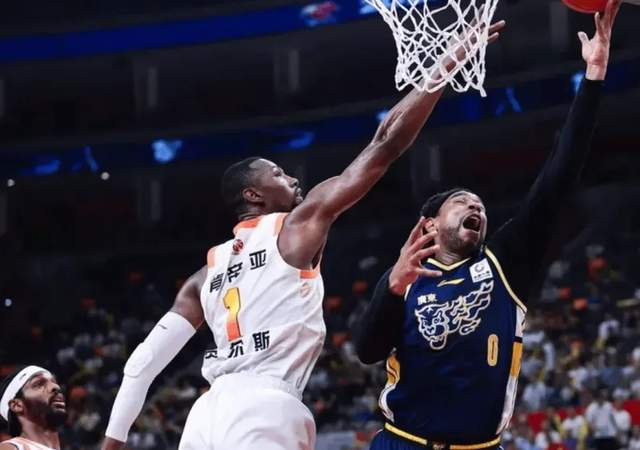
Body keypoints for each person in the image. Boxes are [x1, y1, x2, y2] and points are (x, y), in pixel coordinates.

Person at [101, 18, 506, 450]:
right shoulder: (296, 227)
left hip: (205, 416)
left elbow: (141, 365)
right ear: (253, 194)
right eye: (277, 173)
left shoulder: (205, 273)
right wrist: (445, 66)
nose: (292, 178)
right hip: (266, 405)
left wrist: (112, 441)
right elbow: (385, 143)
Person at [353, 1, 622, 449]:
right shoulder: (405, 280)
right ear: (430, 225)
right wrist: (392, 288)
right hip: (402, 441)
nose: (475, 206)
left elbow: (557, 179)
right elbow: (367, 351)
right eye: (461, 202)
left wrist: (593, 77)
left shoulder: (504, 264)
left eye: (479, 205)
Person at [0, 366, 67, 450]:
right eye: (38, 384)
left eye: (54, 382)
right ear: (17, 405)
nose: (56, 387)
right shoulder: (10, 447)